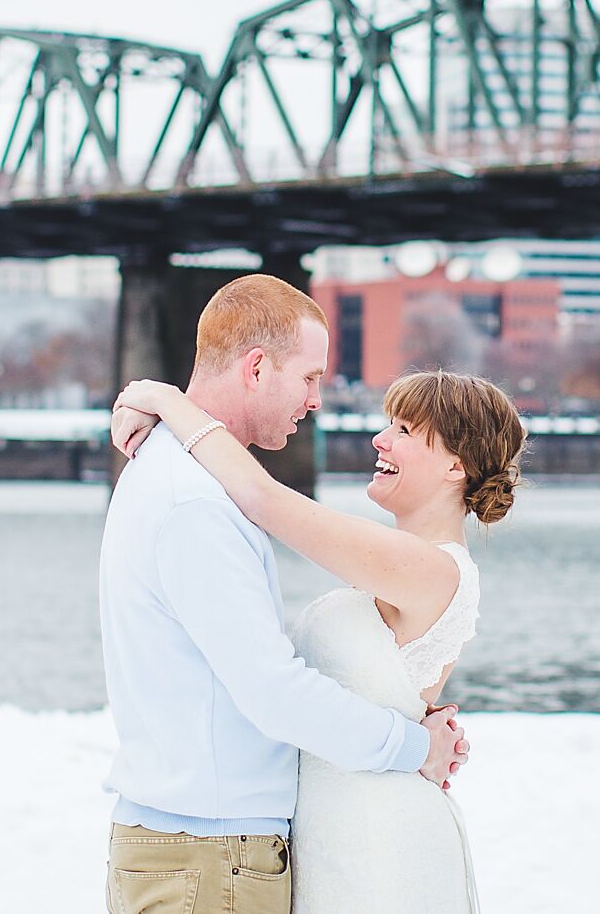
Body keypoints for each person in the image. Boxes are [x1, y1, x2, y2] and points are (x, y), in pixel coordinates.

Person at [97, 274, 467, 914]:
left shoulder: (177, 474)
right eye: (309, 377)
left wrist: (158, 396)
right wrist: (416, 748)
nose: (318, 399)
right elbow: (272, 692)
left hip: (197, 851)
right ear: (258, 367)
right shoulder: (196, 504)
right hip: (210, 861)